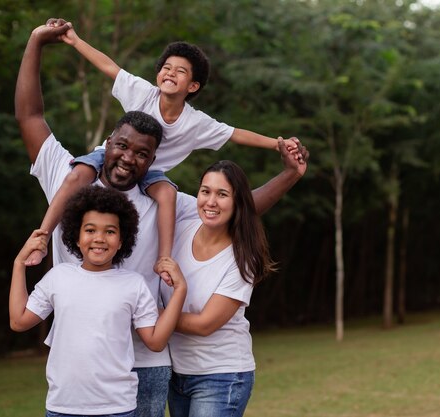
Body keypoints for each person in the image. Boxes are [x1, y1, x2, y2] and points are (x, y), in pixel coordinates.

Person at [15, 22, 308, 417]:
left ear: (154, 160)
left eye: (141, 154)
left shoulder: (162, 196)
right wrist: (35, 42)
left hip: (145, 362)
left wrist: (289, 173)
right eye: (120, 147)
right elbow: (30, 115)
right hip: (76, 366)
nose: (127, 158)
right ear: (107, 144)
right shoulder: (68, 178)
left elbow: (238, 208)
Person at [25, 18, 301, 286]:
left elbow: (236, 134)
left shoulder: (196, 122)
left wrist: (277, 143)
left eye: (180, 71)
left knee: (167, 194)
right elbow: (109, 66)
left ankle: (164, 258)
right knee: (77, 175)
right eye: (166, 67)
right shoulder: (143, 93)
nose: (170, 72)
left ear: (193, 86)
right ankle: (41, 235)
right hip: (103, 157)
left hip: (150, 173)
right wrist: (74, 40)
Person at [9, 185, 187, 416]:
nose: (99, 239)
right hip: (62, 407)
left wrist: (180, 289)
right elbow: (18, 321)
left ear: (122, 240)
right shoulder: (59, 277)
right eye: (90, 230)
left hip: (117, 407)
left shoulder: (134, 284)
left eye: (110, 232)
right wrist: (18, 264)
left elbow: (155, 342)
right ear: (77, 235)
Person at [159, 160, 275, 417]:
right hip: (176, 373)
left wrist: (152, 315)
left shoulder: (242, 258)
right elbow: (156, 186)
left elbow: (204, 324)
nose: (210, 201)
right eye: (205, 191)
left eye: (222, 194)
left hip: (221, 376)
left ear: (237, 203)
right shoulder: (181, 227)